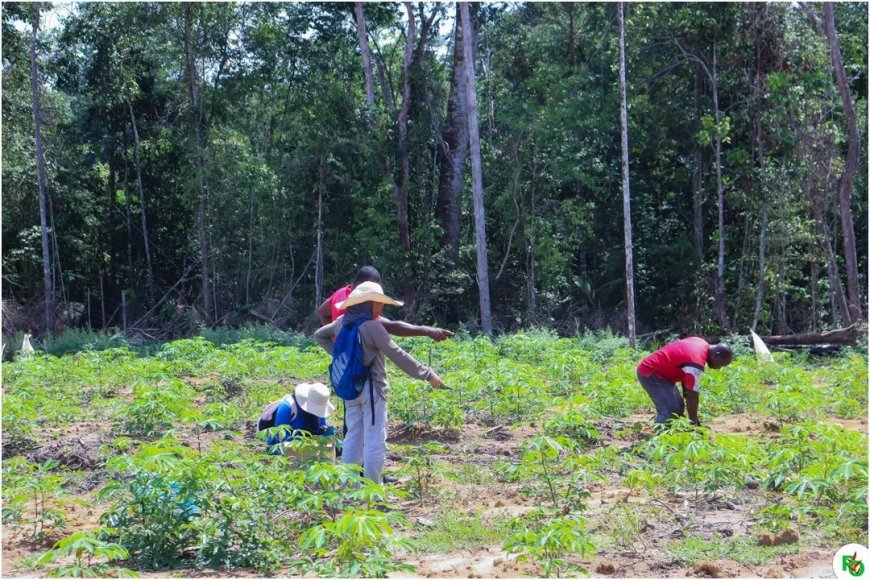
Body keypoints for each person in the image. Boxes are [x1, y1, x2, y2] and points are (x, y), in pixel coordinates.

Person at [314, 281, 445, 484]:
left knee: (353, 438)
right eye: (378, 303)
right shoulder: (372, 327)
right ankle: (372, 491)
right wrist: (427, 374)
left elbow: (319, 335)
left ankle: (350, 486)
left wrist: (340, 356)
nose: (380, 308)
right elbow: (398, 355)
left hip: (350, 388)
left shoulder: (341, 322)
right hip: (371, 389)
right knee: (375, 440)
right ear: (369, 304)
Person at [317, 266, 453, 342]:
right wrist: (427, 330)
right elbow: (391, 326)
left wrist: (335, 338)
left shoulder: (340, 294)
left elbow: (322, 312)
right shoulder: (359, 306)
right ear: (358, 285)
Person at [636, 337, 733, 427]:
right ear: (716, 356)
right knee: (671, 410)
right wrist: (694, 425)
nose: (719, 368)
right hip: (651, 373)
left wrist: (695, 421)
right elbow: (692, 396)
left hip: (662, 375)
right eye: (721, 364)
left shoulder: (700, 342)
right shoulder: (695, 362)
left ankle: (673, 433)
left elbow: (687, 387)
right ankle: (661, 438)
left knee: (679, 406)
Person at [263, 382, 336, 455]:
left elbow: (322, 428)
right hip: (284, 446)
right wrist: (304, 442)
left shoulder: (319, 412)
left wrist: (325, 432)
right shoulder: (287, 408)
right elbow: (280, 436)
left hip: (308, 446)